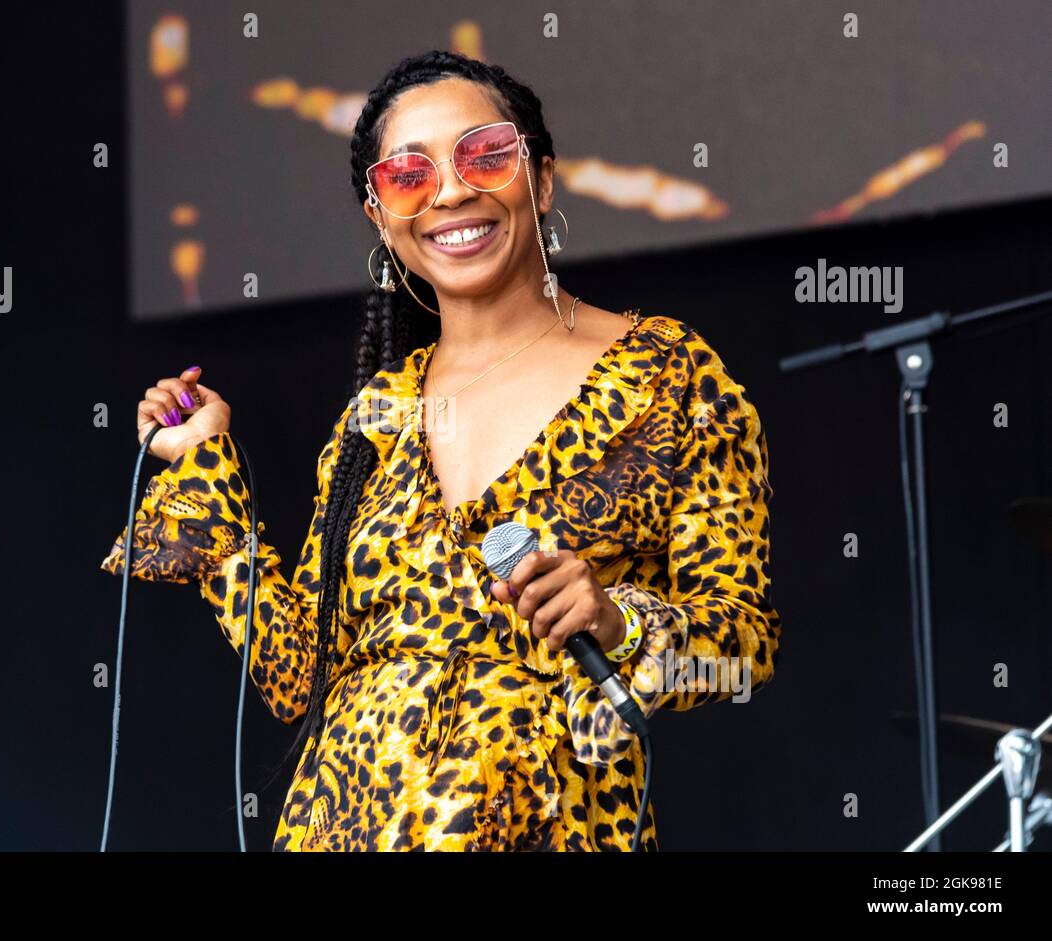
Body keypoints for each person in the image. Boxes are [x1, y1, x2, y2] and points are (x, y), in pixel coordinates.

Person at [101, 50, 780, 851]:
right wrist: (206, 464)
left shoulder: (671, 374)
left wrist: (616, 620)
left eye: (486, 154)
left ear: (544, 179)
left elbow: (741, 647)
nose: (452, 190)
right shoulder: (377, 415)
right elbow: (297, 674)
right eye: (408, 175)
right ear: (380, 216)